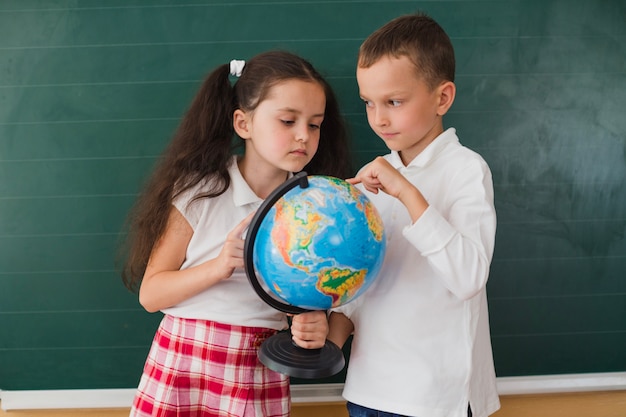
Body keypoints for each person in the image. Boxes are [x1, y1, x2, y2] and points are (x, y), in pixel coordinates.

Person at [121, 50, 352, 417]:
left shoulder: (317, 208)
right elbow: (150, 295)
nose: (303, 136)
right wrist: (218, 266)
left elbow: (314, 294)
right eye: (288, 120)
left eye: (314, 124)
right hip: (183, 361)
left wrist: (312, 321)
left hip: (256, 368)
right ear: (243, 124)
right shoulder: (200, 192)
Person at [327, 13, 501, 417]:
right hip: (368, 389)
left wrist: (405, 191)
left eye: (394, 102)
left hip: (435, 399)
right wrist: (329, 341)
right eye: (369, 103)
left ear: (442, 98)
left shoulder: (465, 170)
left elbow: (468, 276)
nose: (379, 118)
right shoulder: (374, 182)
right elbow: (364, 290)